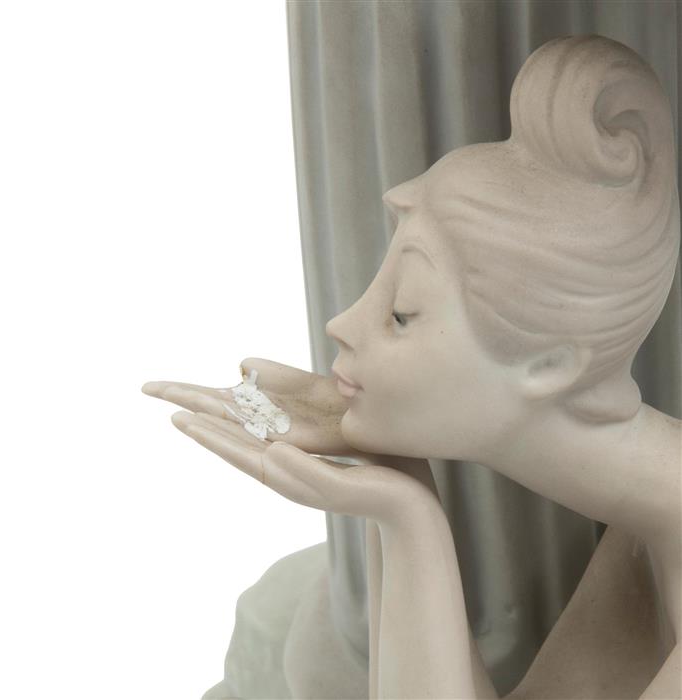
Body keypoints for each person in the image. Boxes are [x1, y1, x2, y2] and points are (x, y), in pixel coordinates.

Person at [143, 35, 681, 699]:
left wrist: (408, 521)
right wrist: (399, 492)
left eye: (401, 314)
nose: (342, 323)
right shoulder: (654, 524)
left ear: (549, 364)